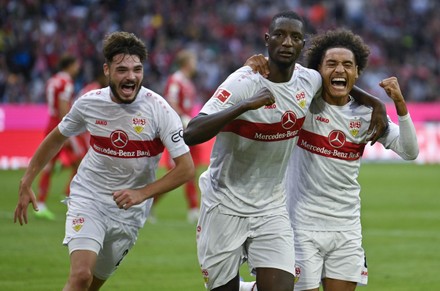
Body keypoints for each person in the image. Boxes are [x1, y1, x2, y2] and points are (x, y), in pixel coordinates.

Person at [184, 12, 386, 291]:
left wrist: (377, 103)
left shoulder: (309, 81)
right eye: (279, 35)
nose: (287, 42)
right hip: (223, 204)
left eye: (295, 37)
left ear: (303, 45)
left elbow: (339, 82)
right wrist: (243, 107)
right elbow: (192, 132)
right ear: (267, 40)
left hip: (271, 207)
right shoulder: (243, 82)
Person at [14, 31, 195, 291]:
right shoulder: (89, 103)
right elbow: (55, 139)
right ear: (107, 70)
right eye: (122, 70)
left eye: (137, 69)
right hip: (89, 197)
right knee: (80, 277)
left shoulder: (160, 110)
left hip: (128, 212)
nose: (131, 77)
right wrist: (27, 179)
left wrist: (142, 193)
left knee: (92, 285)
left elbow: (186, 168)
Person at [285, 29, 419, 291]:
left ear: (357, 72)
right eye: (331, 64)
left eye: (348, 65)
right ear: (317, 71)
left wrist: (398, 103)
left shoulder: (368, 114)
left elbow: (409, 151)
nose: (340, 69)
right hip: (301, 226)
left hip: (346, 229)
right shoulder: (304, 105)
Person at [152, 49, 201, 223]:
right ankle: (149, 204)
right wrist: (182, 118)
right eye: (193, 60)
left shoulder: (188, 82)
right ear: (186, 62)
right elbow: (171, 102)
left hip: (188, 131)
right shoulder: (176, 80)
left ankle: (194, 208)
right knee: (178, 172)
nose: (195, 64)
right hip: (177, 132)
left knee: (189, 169)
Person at [35, 54, 82, 220]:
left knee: (49, 164)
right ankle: (71, 196)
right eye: (76, 65)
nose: (78, 68)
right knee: (82, 158)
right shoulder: (67, 82)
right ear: (69, 65)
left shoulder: (53, 79)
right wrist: (68, 127)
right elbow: (63, 106)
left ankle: (41, 203)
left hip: (50, 122)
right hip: (61, 124)